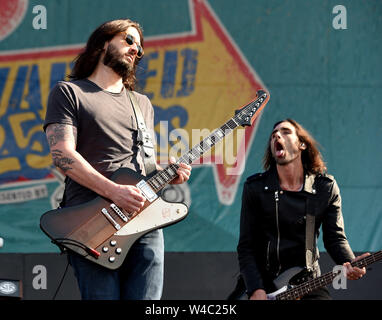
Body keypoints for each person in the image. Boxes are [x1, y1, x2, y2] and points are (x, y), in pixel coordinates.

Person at [43, 19, 191, 300]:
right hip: (92, 221)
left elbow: (138, 167)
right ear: (103, 43)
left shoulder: (142, 104)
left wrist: (166, 172)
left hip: (144, 221)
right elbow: (62, 154)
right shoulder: (69, 92)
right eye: (128, 40)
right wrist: (114, 192)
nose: (136, 50)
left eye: (140, 47)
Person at [237, 118, 368, 300]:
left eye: (285, 132)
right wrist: (255, 289)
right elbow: (247, 247)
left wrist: (349, 261)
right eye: (273, 134)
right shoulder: (256, 188)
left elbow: (334, 237)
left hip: (308, 283)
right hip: (263, 284)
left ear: (302, 144)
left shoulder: (325, 188)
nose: (276, 135)